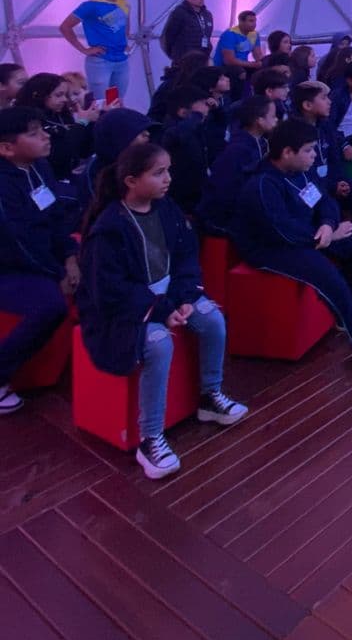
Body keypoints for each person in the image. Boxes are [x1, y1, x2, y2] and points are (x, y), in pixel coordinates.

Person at [77, 143, 247, 478]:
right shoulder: (110, 228)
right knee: (158, 342)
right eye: (158, 173)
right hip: (122, 312)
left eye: (168, 170)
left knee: (212, 318)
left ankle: (210, 395)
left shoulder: (166, 208)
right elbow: (111, 290)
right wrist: (161, 309)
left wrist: (185, 296)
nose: (168, 178)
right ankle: (150, 438)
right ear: (130, 180)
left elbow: (186, 256)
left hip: (170, 294)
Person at [231, 120, 352, 372]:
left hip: (312, 234)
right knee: (326, 274)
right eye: (308, 150)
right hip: (271, 248)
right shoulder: (262, 184)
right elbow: (281, 230)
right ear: (287, 152)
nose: (314, 156)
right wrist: (323, 238)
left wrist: (329, 225)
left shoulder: (301, 172)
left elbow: (325, 201)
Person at [0, 108, 73, 416]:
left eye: (42, 129)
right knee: (50, 306)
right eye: (33, 133)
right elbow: (19, 245)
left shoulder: (40, 167)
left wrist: (70, 256)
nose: (45, 135)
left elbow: (56, 219)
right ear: (6, 148)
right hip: (10, 267)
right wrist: (58, 272)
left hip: (41, 258)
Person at [195, 94, 277, 236]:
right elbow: (223, 192)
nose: (277, 120)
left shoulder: (261, 142)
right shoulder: (238, 151)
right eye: (273, 116)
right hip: (229, 221)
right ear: (259, 120)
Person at [59, 0, 133, 101]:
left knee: (116, 100)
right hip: (101, 59)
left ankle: (113, 119)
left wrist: (125, 43)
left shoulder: (125, 4)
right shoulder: (90, 6)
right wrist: (84, 49)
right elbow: (65, 27)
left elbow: (125, 26)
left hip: (121, 59)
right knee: (99, 101)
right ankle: (97, 121)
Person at [16, 73, 96, 181]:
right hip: (50, 177)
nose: (65, 99)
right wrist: (82, 122)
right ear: (40, 95)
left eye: (65, 95)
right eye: (59, 95)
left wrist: (91, 121)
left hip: (72, 172)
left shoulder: (61, 113)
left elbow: (83, 149)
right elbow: (58, 153)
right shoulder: (29, 120)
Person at [159, 85, 213, 215]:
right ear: (183, 112)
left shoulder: (196, 128)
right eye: (201, 107)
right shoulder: (173, 132)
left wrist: (218, 111)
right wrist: (197, 116)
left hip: (200, 192)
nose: (207, 109)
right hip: (185, 199)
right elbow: (181, 134)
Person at [160, 0, 215, 65]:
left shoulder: (207, 15)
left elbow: (207, 35)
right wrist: (175, 54)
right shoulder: (179, 13)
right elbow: (169, 35)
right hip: (184, 58)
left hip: (202, 57)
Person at [215, 10, 263, 77]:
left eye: (255, 21)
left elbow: (258, 56)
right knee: (240, 72)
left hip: (244, 65)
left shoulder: (255, 34)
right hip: (224, 67)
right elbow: (229, 61)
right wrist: (253, 65)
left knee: (263, 71)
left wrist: (263, 64)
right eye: (251, 21)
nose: (254, 24)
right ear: (241, 21)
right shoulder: (229, 34)